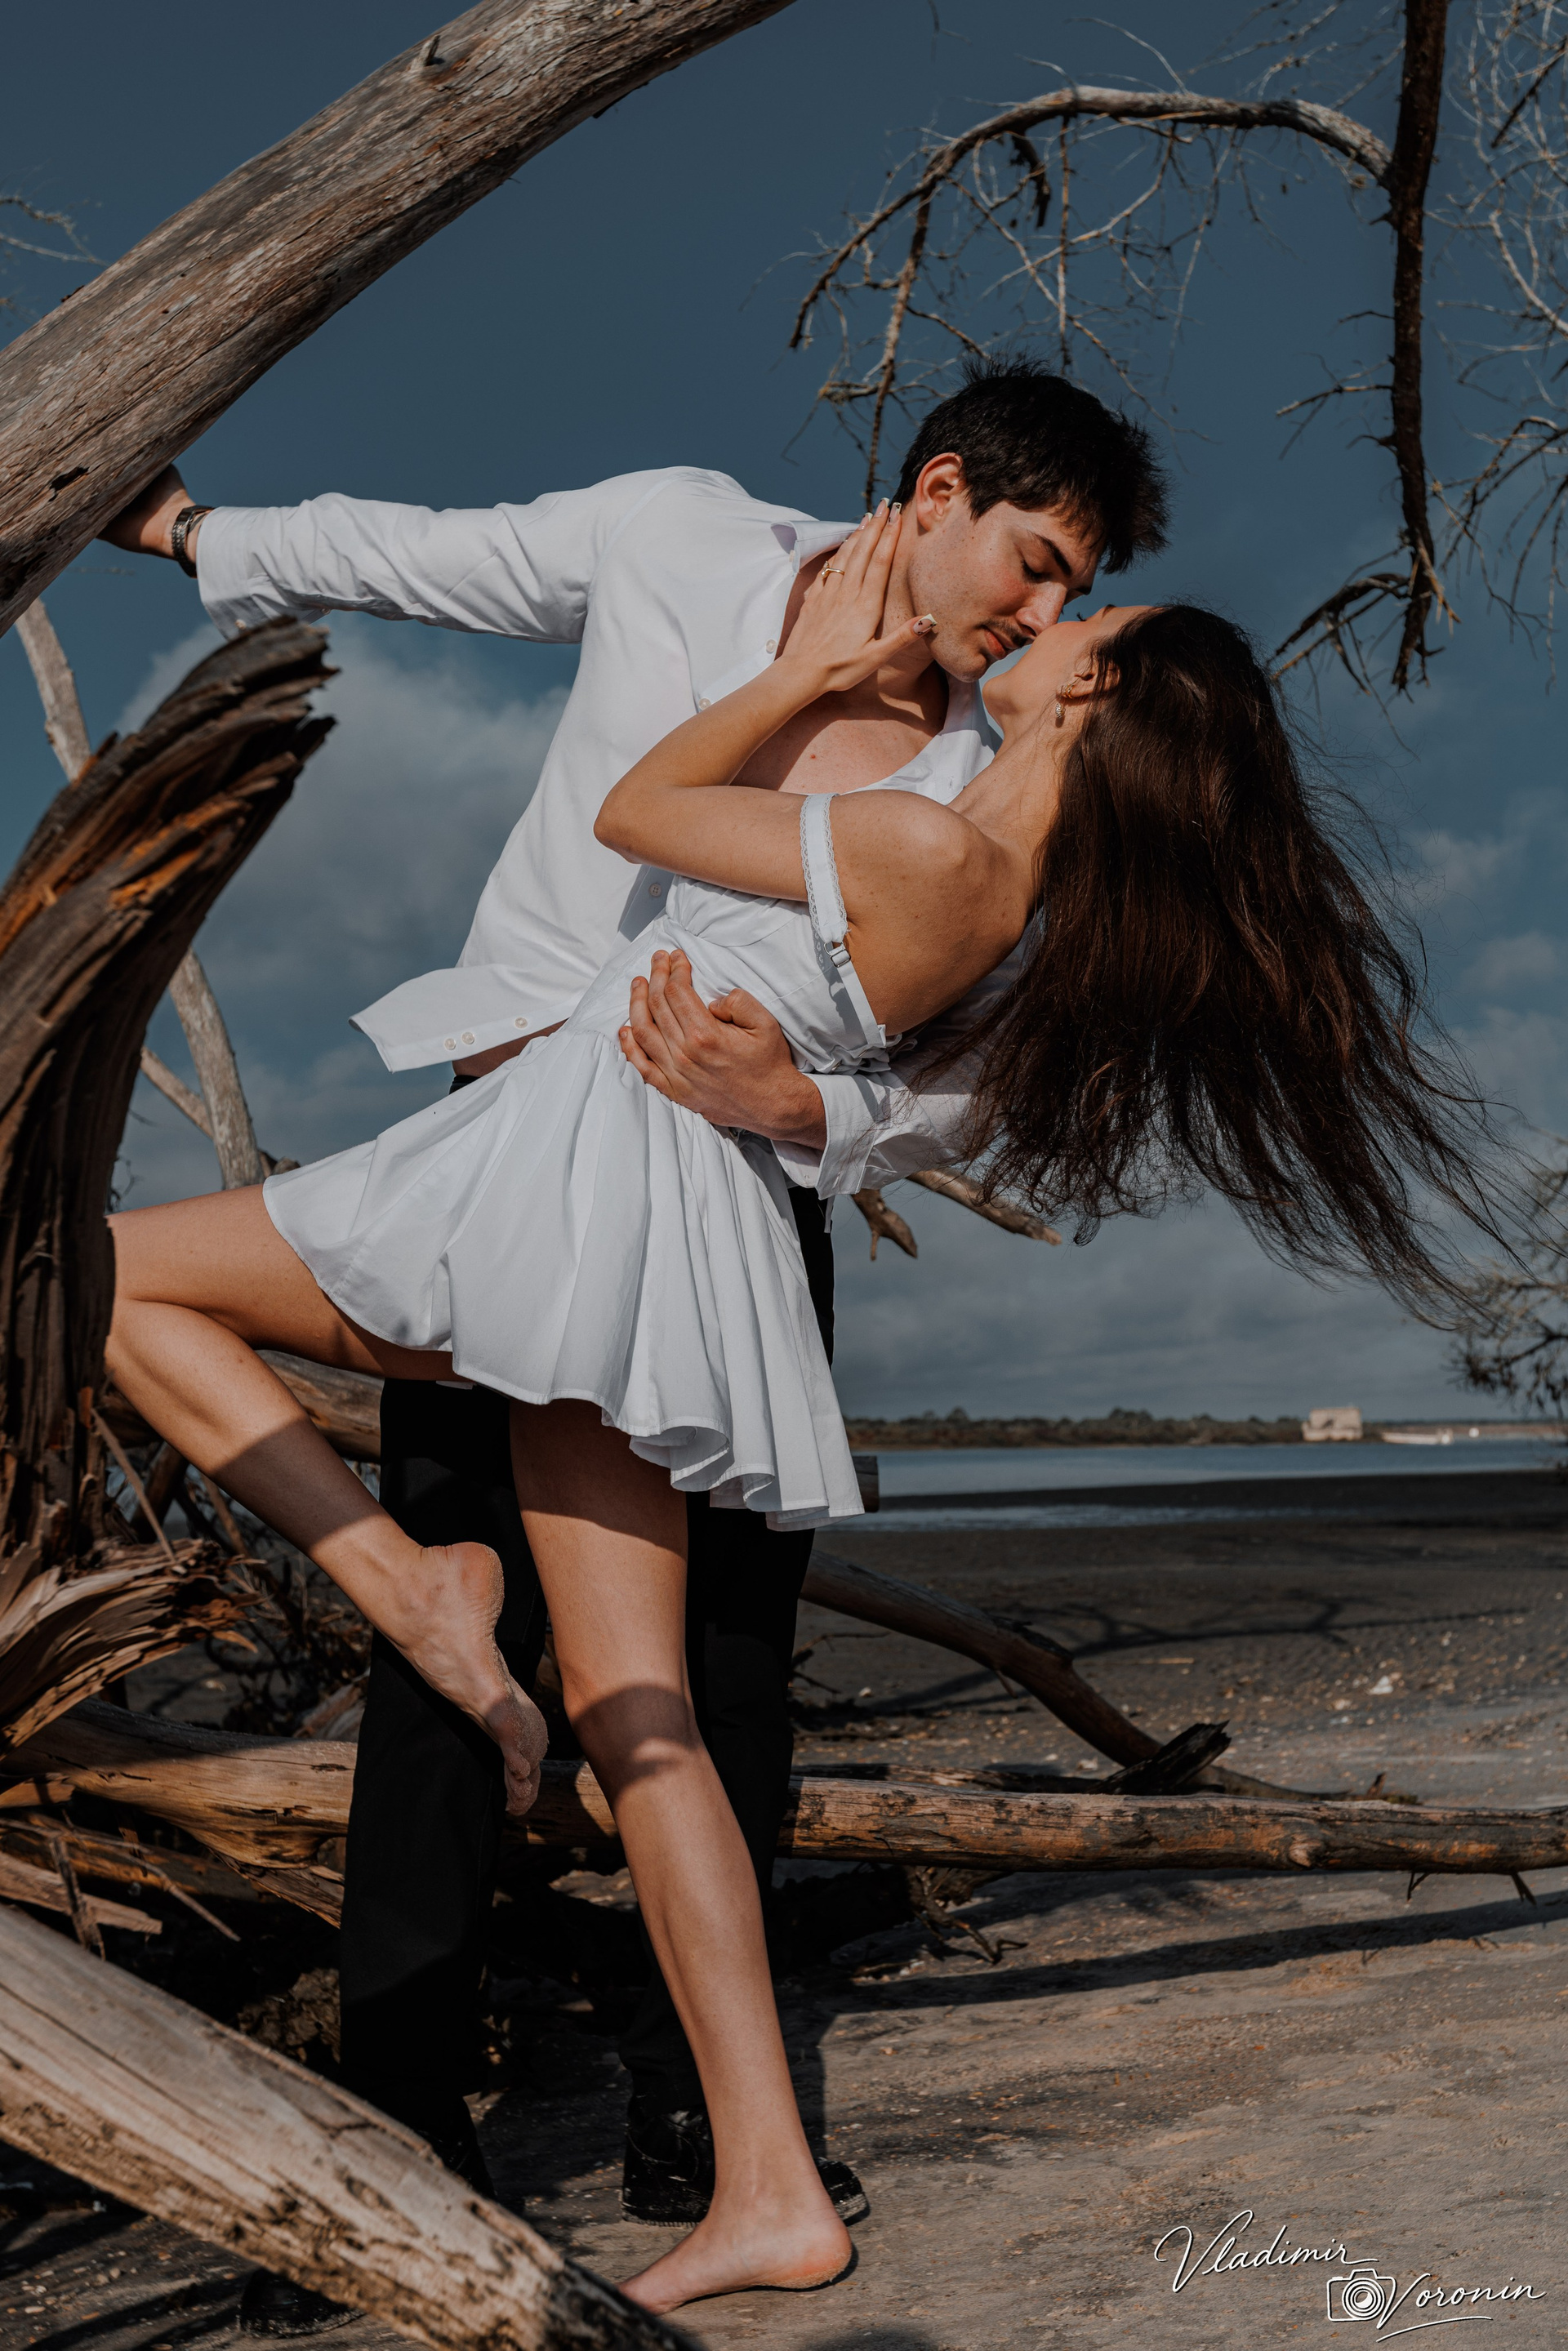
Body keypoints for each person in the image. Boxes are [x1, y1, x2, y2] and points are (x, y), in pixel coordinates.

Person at [109, 505, 1486, 2313]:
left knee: (108, 1277)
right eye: (1052, 585)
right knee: (642, 1720)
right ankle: (762, 2178)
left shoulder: (925, 844)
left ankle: (410, 1589)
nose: (1046, 627)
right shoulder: (1013, 907)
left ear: (1097, 699)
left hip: (589, 1191)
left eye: (1085, 622)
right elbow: (929, 1088)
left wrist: (812, 671)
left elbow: (637, 812)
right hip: (615, 1192)